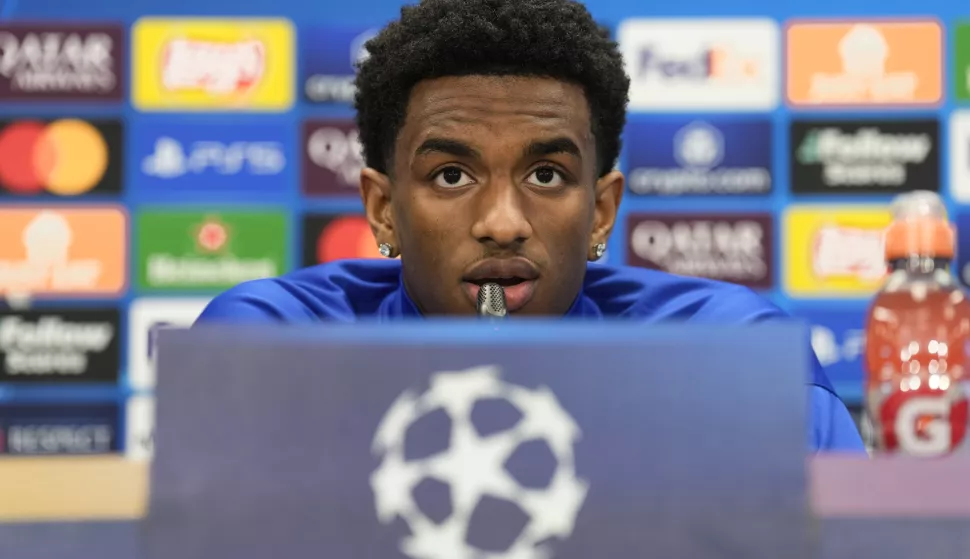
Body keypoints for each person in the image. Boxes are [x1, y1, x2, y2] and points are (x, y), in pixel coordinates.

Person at [195, 0, 865, 453]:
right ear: (383, 209)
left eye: (546, 175)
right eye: (451, 175)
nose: (502, 223)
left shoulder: (737, 362)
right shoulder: (266, 349)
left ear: (600, 210)